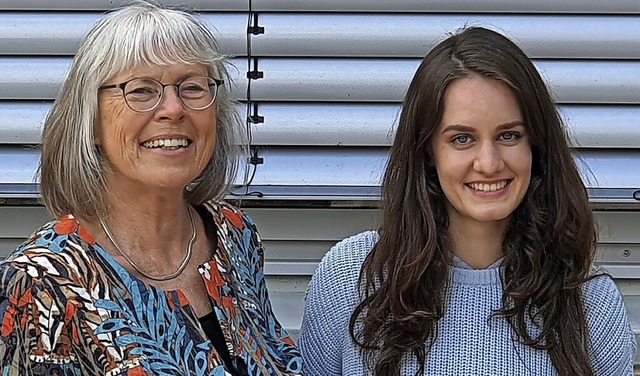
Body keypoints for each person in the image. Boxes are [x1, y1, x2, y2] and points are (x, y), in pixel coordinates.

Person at [299, 27, 636, 375]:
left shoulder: (590, 303)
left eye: (509, 135)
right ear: (428, 151)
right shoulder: (351, 278)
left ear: (536, 144)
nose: (489, 164)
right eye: (462, 138)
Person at [0, 2, 302, 375]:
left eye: (192, 87)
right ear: (91, 123)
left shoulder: (234, 236)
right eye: (141, 90)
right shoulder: (43, 281)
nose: (173, 109)